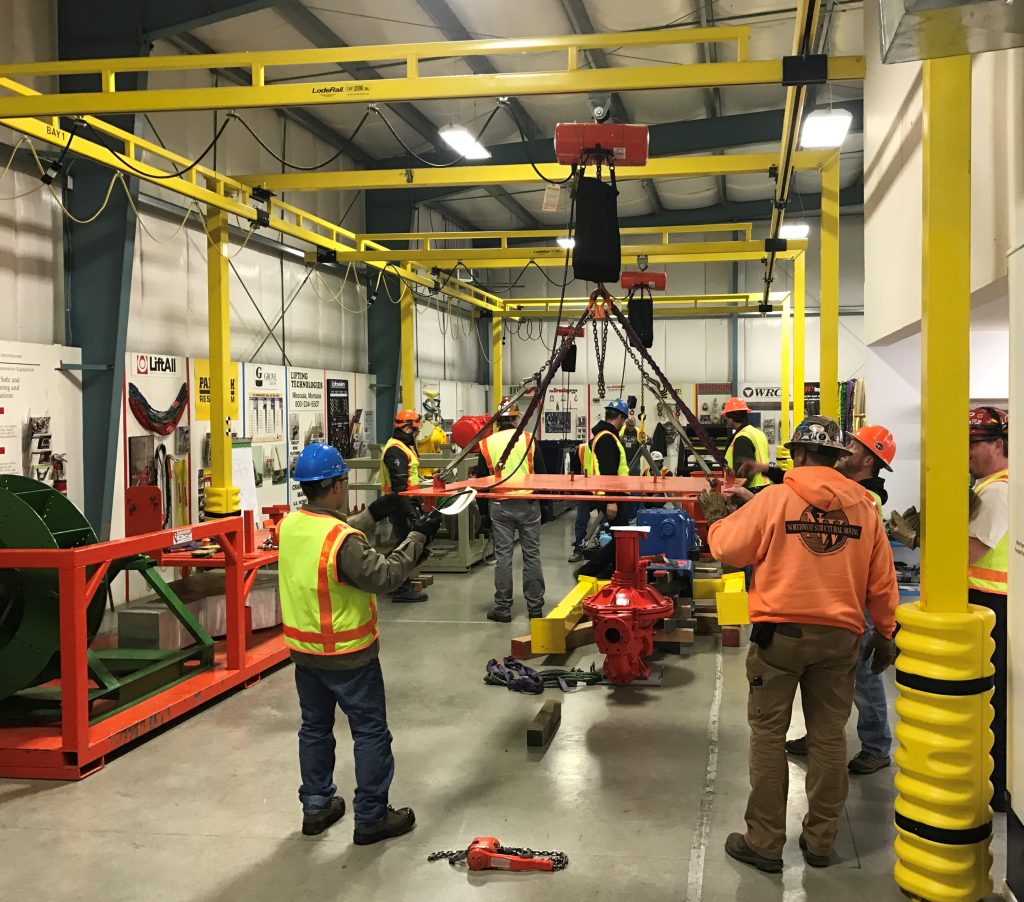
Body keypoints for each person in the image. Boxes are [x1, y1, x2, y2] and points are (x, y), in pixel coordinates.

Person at [707, 416, 899, 872]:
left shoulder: (776, 498)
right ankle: (820, 842)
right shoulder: (865, 508)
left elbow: (727, 550)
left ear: (800, 454)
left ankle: (765, 842)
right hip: (840, 638)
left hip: (781, 639)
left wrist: (718, 519)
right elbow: (882, 580)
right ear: (836, 458)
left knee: (769, 737)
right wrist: (888, 632)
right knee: (830, 738)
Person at [279, 443, 441, 844]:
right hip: (350, 657)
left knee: (314, 729)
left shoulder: (290, 526)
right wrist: (417, 539)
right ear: (335, 485)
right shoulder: (343, 539)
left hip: (305, 654)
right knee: (370, 733)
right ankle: (371, 817)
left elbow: (333, 538)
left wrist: (377, 511)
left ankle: (316, 807)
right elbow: (382, 576)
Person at [785, 424, 898, 776]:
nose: (844, 449)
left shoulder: (867, 499)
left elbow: (878, 568)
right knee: (823, 677)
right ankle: (817, 735)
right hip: (838, 594)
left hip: (858, 597)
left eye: (852, 445)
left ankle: (877, 746)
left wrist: (885, 627)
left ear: (868, 457)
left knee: (863, 677)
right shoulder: (850, 490)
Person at [967, 406, 1009, 812]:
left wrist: (927, 539)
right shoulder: (988, 486)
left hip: (993, 605)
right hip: (987, 603)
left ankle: (997, 785)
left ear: (999, 444)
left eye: (976, 444)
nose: (969, 452)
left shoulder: (999, 491)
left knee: (992, 700)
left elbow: (973, 551)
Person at [475, 398, 546, 623]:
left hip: (499, 505)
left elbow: (480, 481)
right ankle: (535, 608)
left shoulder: (487, 444)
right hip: (528, 504)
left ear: (498, 420)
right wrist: (545, 506)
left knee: (503, 557)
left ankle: (503, 609)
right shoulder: (528, 439)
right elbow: (543, 475)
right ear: (516, 418)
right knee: (532, 555)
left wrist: (483, 515)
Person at [379, 408, 429, 603]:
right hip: (400, 504)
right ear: (407, 428)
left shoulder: (402, 446)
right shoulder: (396, 450)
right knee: (405, 544)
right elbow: (400, 488)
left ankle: (391, 580)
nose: (417, 434)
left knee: (404, 542)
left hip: (405, 501)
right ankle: (400, 588)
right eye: (416, 430)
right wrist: (412, 514)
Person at [722, 397, 771, 490]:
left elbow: (745, 470)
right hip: (764, 486)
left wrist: (736, 493)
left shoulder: (742, 438)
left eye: (726, 418)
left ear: (732, 418)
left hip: (750, 489)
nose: (726, 420)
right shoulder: (759, 433)